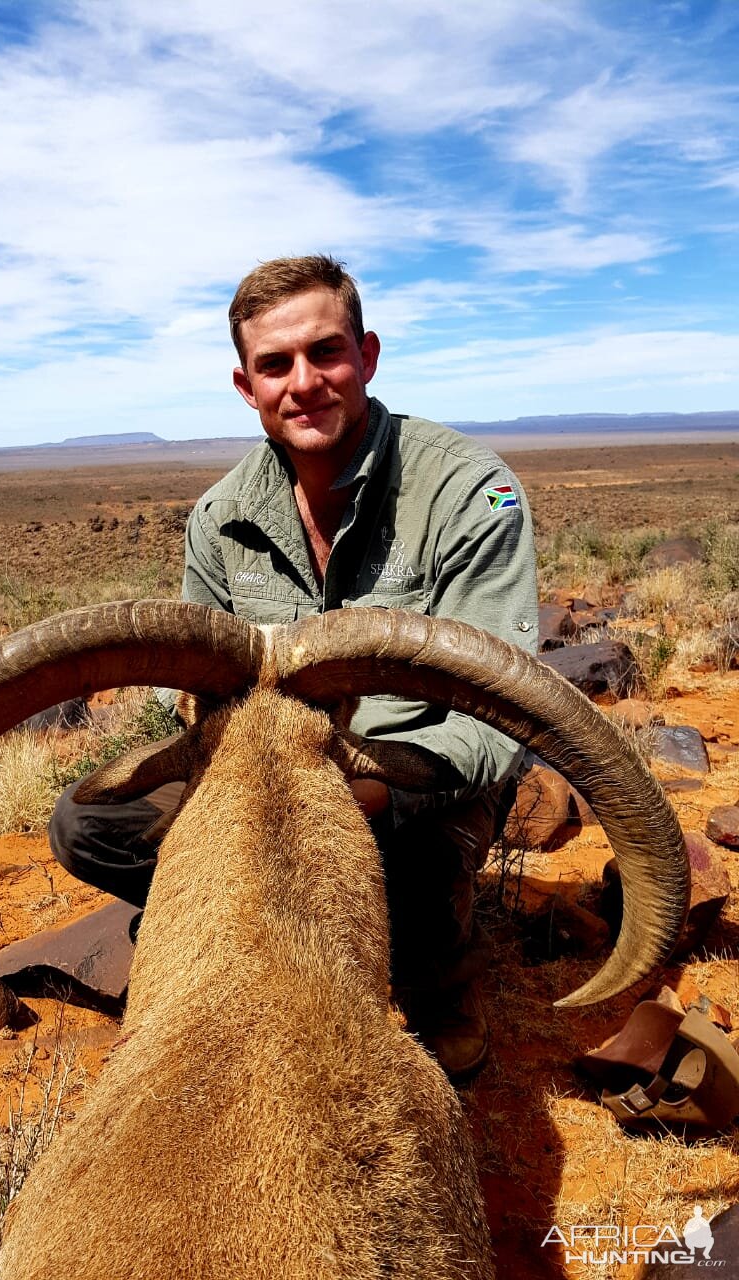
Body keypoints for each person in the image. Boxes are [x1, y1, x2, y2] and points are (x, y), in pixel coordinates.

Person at [50, 255, 539, 1080]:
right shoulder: (220, 518)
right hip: (268, 773)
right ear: (246, 386)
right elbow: (202, 702)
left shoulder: (469, 494)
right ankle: (235, 932)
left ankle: (437, 976)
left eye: (326, 353)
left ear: (368, 356)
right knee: (87, 824)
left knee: (410, 881)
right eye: (275, 364)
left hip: (413, 780)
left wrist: (370, 787)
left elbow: (501, 712)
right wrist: (243, 797)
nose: (304, 383)